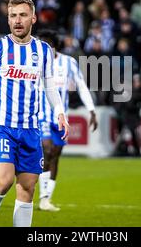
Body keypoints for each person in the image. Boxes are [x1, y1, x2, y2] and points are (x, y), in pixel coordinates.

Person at [0, 0, 69, 227]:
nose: (17, 20)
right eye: (13, 16)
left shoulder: (43, 50)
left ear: (33, 18)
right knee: (3, 182)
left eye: (22, 15)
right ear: (8, 19)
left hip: (31, 130)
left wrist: (60, 112)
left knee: (27, 188)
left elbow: (50, 86)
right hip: (2, 126)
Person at [36, 29, 98, 211]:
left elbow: (81, 86)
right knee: (46, 150)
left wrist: (92, 110)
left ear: (55, 46)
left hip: (61, 118)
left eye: (47, 44)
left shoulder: (68, 63)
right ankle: (40, 195)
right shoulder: (35, 63)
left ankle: (46, 199)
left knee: (55, 155)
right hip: (42, 116)